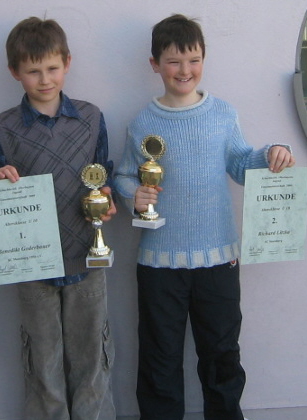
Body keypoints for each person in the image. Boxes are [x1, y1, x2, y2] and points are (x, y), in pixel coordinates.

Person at [114, 14, 295, 420]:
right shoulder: (142, 122)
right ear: (155, 64)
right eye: (174, 61)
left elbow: (240, 163)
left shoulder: (223, 114)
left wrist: (272, 154)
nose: (185, 70)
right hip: (159, 263)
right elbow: (124, 175)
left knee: (222, 354)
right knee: (159, 358)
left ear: (203, 59)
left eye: (193, 60)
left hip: (219, 260)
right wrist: (133, 195)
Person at [0, 17, 116, 420]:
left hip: (86, 259)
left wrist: (106, 199)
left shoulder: (92, 118)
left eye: (52, 68)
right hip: (32, 266)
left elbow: (103, 175)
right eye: (33, 71)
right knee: (43, 365)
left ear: (67, 63)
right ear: (14, 72)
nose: (44, 79)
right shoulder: (3, 128)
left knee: (93, 361)